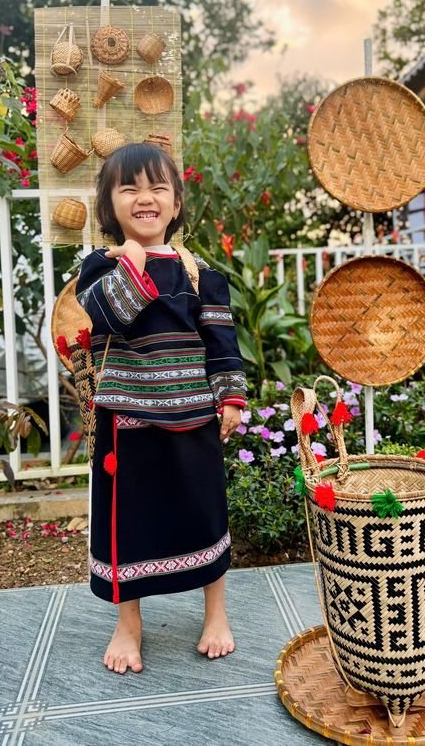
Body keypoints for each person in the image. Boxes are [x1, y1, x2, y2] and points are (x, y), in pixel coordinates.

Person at [76, 142, 246, 675]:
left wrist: (230, 396)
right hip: (126, 424)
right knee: (126, 525)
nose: (144, 198)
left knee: (205, 512)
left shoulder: (200, 274)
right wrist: (133, 262)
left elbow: (221, 343)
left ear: (176, 204)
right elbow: (108, 317)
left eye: (157, 187)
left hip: (194, 418)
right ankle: (129, 624)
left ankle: (215, 613)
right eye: (128, 188)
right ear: (109, 205)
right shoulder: (99, 268)